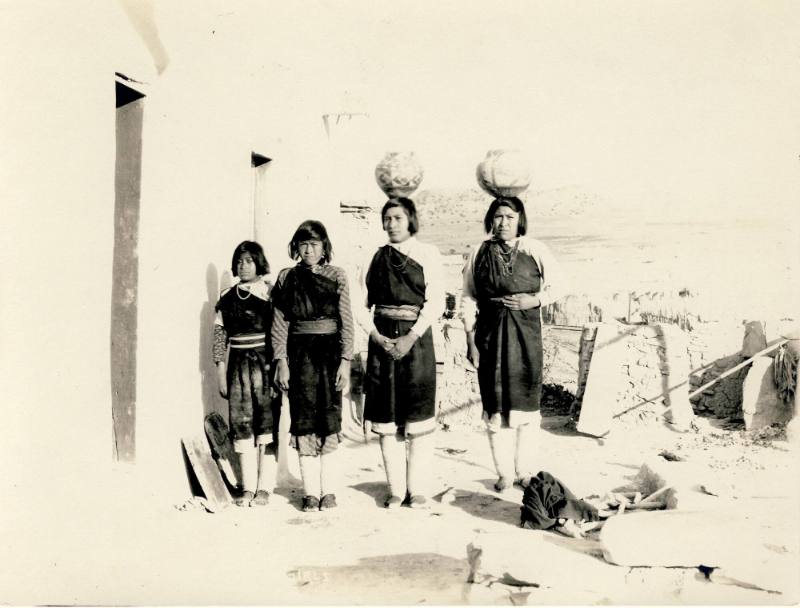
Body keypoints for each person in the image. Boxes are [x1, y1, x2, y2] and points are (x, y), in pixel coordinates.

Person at [462, 197, 567, 492]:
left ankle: (525, 471)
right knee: (496, 405)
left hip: (525, 335)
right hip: (490, 335)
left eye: (509, 216)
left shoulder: (535, 249)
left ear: (519, 219)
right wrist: (470, 339)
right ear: (490, 220)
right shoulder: (478, 252)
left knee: (525, 406)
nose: (503, 222)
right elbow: (468, 296)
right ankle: (504, 473)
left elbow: (561, 283)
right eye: (498, 217)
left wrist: (535, 299)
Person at [357, 197, 445, 508]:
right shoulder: (374, 256)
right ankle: (395, 489)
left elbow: (436, 302)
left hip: (417, 342)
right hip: (382, 340)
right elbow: (359, 302)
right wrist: (376, 336)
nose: (391, 224)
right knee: (387, 417)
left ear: (410, 220)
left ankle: (417, 489)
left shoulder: (428, 254)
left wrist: (411, 337)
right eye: (387, 218)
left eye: (397, 218)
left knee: (417, 417)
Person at [271, 220, 354, 512]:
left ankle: (328, 491)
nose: (309, 250)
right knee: (304, 417)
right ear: (296, 247)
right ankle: (309, 493)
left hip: (330, 354)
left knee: (329, 419)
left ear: (324, 247)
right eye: (303, 244)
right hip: (300, 355)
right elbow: (279, 325)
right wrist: (282, 362)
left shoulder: (337, 276)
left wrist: (345, 361)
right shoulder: (287, 278)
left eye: (315, 244)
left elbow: (346, 321)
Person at [213, 240, 277, 507]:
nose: (244, 265)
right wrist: (220, 372)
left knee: (267, 425)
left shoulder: (269, 293)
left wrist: (277, 370)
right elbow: (219, 337)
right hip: (237, 366)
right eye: (239, 261)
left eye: (249, 260)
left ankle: (265, 487)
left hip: (265, 364)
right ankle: (248, 487)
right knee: (242, 425)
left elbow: (279, 333)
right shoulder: (227, 297)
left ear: (259, 263)